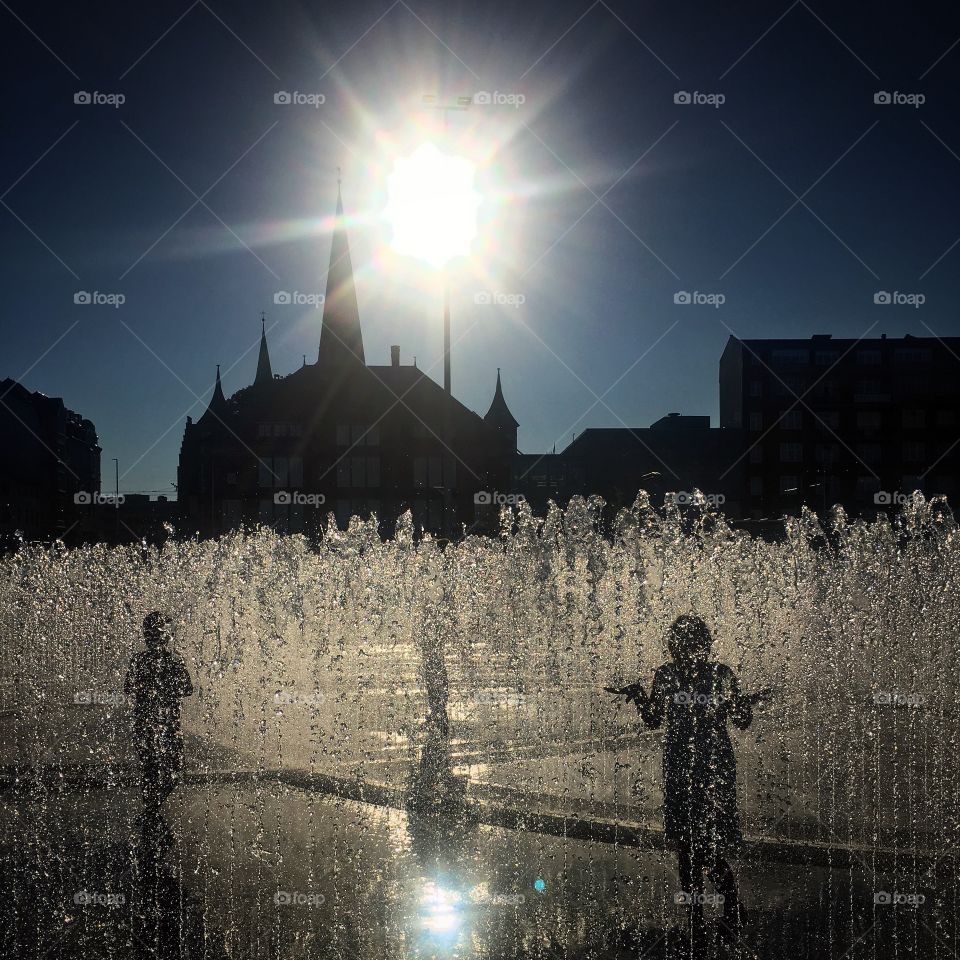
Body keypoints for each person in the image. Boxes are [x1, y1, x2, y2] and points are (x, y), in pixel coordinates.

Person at [607, 614, 771, 947]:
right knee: (693, 846)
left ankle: (715, 915)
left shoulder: (703, 675)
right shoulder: (691, 674)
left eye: (682, 643)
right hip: (695, 767)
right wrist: (640, 693)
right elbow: (658, 717)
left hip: (702, 767)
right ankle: (707, 916)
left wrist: (739, 704)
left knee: (697, 847)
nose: (680, 650)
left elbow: (739, 720)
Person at [124, 612, 193, 807]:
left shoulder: (139, 660)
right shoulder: (174, 661)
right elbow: (187, 689)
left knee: (150, 768)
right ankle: (152, 807)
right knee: (174, 767)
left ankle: (151, 806)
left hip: (144, 721)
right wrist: (168, 688)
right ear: (165, 636)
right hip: (169, 723)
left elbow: (128, 688)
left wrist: (148, 688)